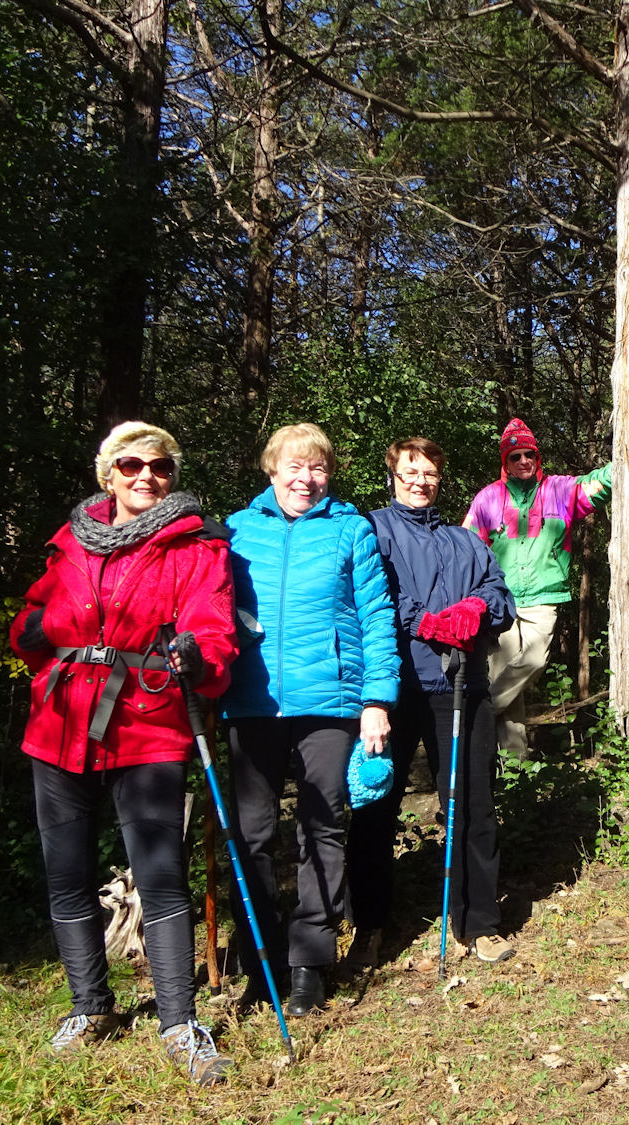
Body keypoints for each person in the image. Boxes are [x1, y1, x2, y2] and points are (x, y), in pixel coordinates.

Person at [9, 421, 236, 1084]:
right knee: (66, 873)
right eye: (132, 465)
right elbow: (33, 618)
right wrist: (32, 629)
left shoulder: (196, 544)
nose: (146, 476)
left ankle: (179, 1023)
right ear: (108, 473)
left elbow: (214, 627)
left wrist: (198, 655)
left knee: (161, 877)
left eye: (159, 466)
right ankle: (91, 1008)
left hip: (147, 723)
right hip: (59, 723)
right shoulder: (71, 540)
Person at [219, 423, 400, 1017]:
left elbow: (377, 617)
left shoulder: (351, 529)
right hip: (253, 700)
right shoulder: (236, 531)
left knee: (321, 828)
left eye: (318, 467)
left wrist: (377, 700)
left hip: (331, 702)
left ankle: (309, 964)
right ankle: (260, 962)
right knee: (250, 836)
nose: (307, 478)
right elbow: (209, 610)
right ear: (271, 470)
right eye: (295, 467)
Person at [348, 437, 516, 965]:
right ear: (393, 476)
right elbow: (366, 593)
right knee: (375, 806)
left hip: (462, 688)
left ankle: (479, 922)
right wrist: (421, 620)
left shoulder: (465, 541)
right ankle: (370, 925)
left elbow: (501, 595)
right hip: (392, 691)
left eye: (430, 474)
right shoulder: (371, 529)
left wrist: (476, 608)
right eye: (410, 472)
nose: (420, 482)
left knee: (472, 805)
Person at [462, 418, 611, 755]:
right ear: (505, 461)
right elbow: (466, 547)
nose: (524, 461)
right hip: (499, 598)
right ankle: (513, 765)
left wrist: (623, 459)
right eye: (515, 456)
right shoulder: (488, 498)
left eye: (529, 454)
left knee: (533, 661)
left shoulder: (559, 490)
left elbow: (597, 485)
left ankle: (476, 712)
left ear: (537, 456)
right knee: (505, 676)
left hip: (543, 596)